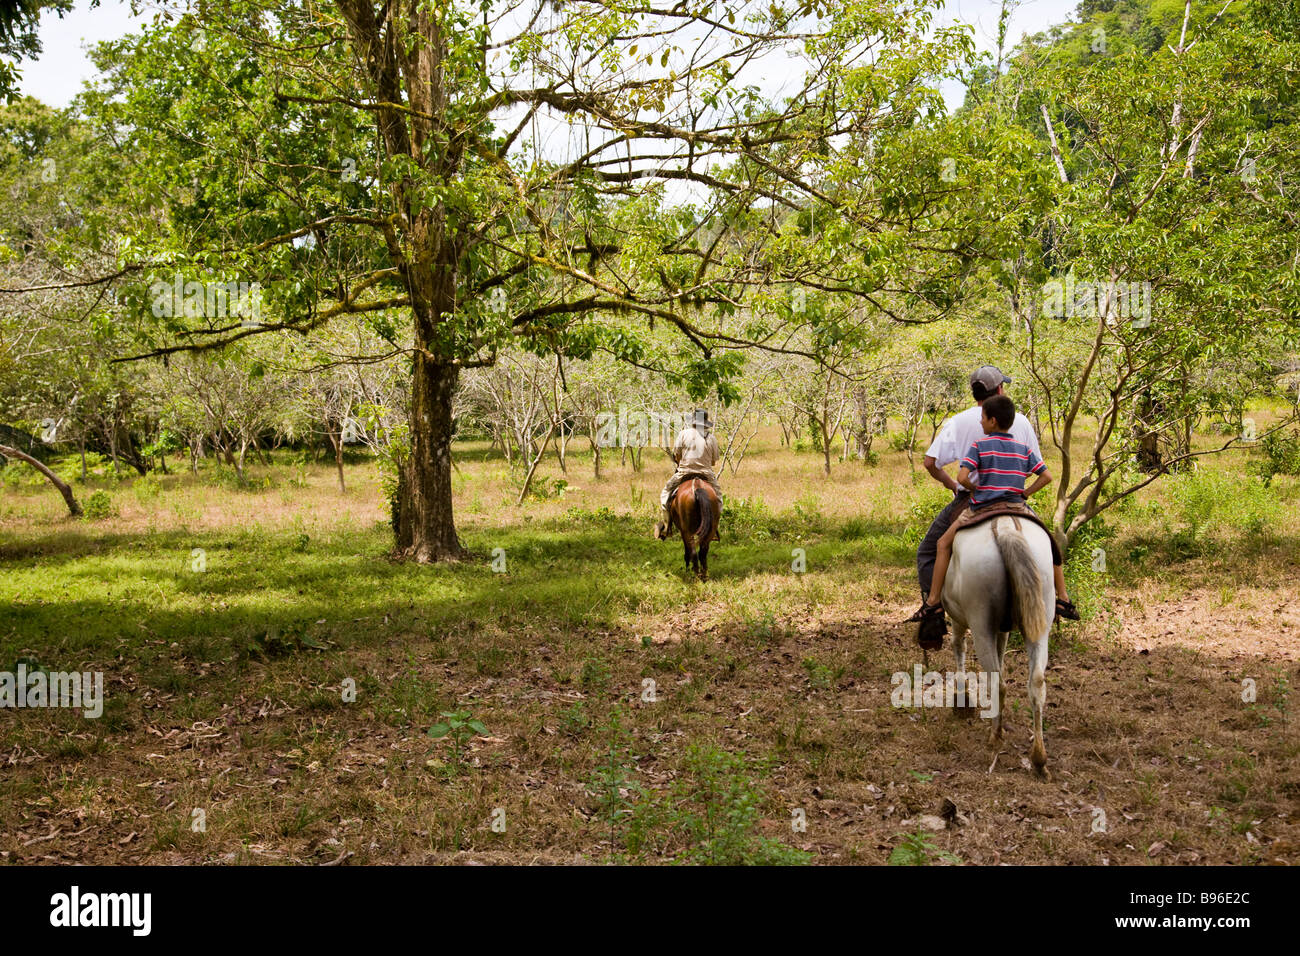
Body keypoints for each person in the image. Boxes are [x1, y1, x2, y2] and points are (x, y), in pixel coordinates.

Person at [909, 394, 1077, 626]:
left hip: (982, 505)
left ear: (993, 421)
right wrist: (1025, 493)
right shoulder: (1022, 448)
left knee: (941, 544)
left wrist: (975, 488)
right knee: (1050, 545)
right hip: (1017, 505)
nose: (980, 422)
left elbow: (961, 477)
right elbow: (1047, 476)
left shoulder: (980, 446)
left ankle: (933, 602)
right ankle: (1063, 598)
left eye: (984, 419)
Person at [655, 409, 722, 540]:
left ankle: (667, 527)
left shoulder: (683, 434)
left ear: (693, 422)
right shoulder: (711, 438)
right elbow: (713, 462)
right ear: (705, 423)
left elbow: (677, 456)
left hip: (684, 473)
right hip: (706, 474)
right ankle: (713, 529)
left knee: (665, 494)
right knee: (718, 500)